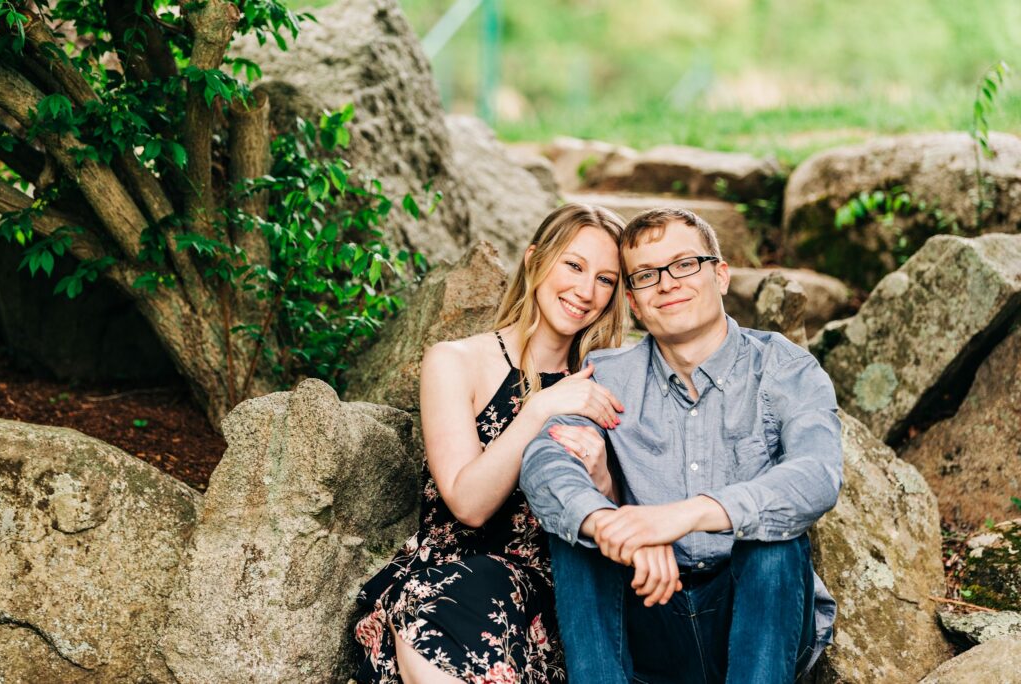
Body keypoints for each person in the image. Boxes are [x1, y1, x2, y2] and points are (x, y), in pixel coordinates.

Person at [520, 208, 843, 684]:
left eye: (685, 264)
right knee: (577, 532)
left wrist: (681, 516)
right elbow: (544, 460)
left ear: (721, 275)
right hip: (648, 615)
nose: (667, 283)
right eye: (647, 275)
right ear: (632, 300)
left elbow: (817, 474)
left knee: (773, 542)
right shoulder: (609, 375)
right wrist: (612, 526)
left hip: (754, 624)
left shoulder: (782, 367)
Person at [353, 203, 631, 684]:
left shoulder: (606, 381)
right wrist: (540, 408)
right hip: (442, 581)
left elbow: (621, 527)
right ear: (534, 260)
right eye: (574, 265)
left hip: (547, 598)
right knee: (433, 618)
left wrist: (603, 476)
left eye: (606, 279)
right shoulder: (454, 362)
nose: (586, 291)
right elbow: (469, 504)